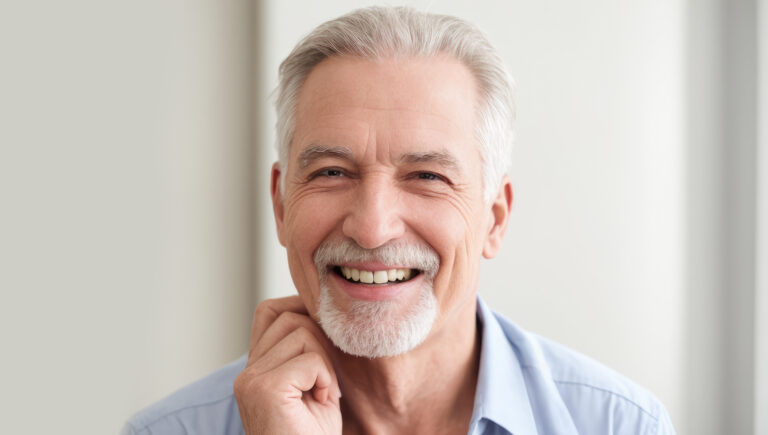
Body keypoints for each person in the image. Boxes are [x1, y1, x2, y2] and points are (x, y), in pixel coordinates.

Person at [122, 6, 676, 435]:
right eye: (333, 172)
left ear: (494, 219)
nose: (372, 228)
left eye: (427, 176)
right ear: (281, 205)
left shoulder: (618, 424)